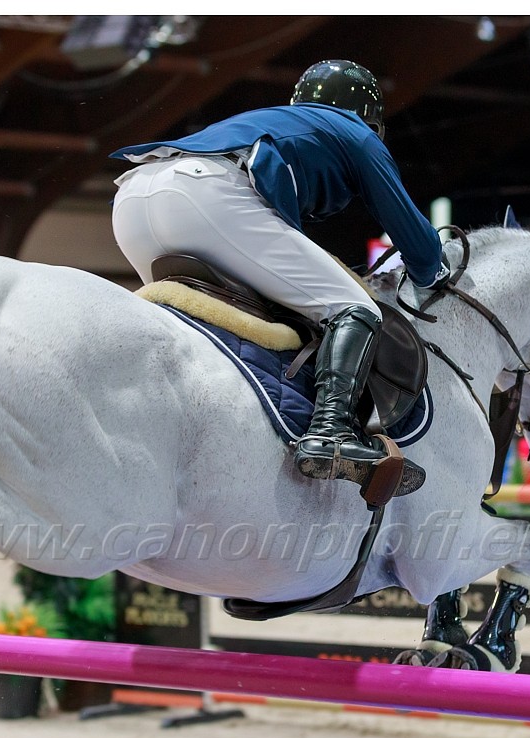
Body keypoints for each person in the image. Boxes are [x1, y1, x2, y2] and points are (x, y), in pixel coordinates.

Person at [109, 60, 448, 497]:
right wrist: (433, 272)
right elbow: (416, 242)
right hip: (207, 194)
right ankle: (330, 432)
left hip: (132, 198)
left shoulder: (272, 120)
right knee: (354, 307)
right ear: (370, 121)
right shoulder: (356, 133)